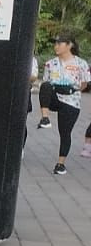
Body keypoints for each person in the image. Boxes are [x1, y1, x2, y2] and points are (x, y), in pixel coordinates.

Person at [43, 36, 89, 175]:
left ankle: (60, 164)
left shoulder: (81, 63)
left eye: (59, 43)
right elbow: (46, 81)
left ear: (69, 45)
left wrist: (72, 89)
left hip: (71, 100)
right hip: (54, 97)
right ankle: (45, 118)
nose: (56, 46)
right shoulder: (50, 63)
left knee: (65, 132)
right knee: (45, 86)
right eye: (55, 44)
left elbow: (84, 84)